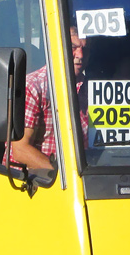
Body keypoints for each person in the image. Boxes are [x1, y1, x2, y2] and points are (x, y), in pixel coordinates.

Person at [8, 28, 89, 171]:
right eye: (73, 48)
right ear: (57, 47)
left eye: (84, 48)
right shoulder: (33, 87)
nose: (80, 55)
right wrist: (65, 175)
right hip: (37, 183)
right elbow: (20, 150)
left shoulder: (91, 88)